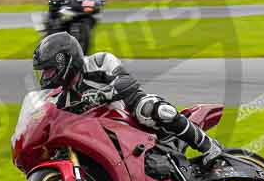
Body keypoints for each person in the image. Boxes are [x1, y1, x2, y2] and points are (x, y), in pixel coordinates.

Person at [32, 32, 224, 168]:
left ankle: (209, 146)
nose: (46, 76)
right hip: (103, 133)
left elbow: (126, 79)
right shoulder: (61, 98)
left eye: (49, 70)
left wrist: (104, 93)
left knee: (152, 109)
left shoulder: (98, 62)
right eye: (45, 72)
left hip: (129, 111)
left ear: (65, 60)